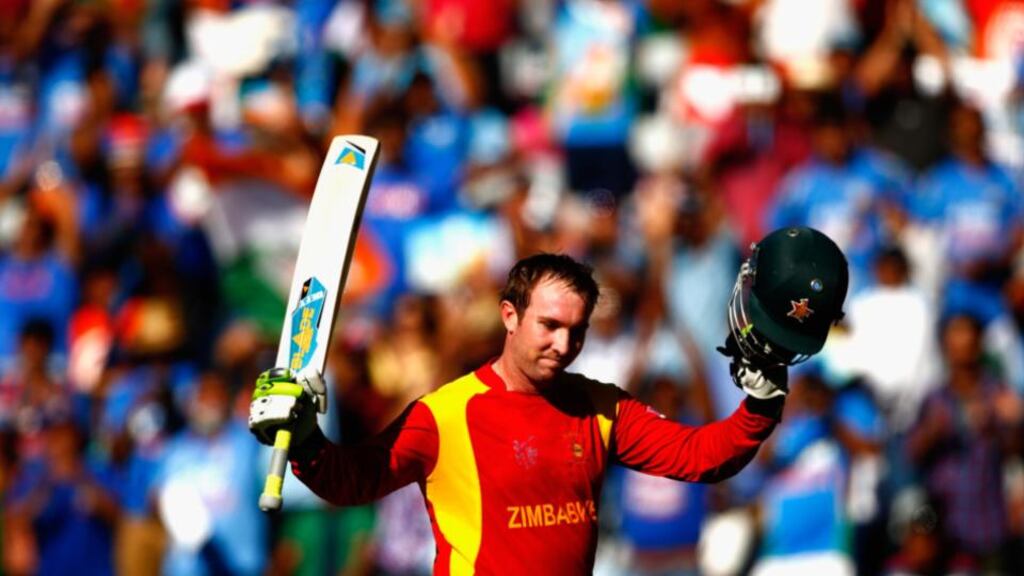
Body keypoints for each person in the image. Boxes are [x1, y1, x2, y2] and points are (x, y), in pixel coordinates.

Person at [249, 228, 848, 574]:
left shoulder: (599, 407)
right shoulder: (444, 414)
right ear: (509, 316)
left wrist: (760, 408)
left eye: (578, 331)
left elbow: (699, 456)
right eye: (550, 326)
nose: (564, 346)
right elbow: (353, 481)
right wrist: (304, 443)